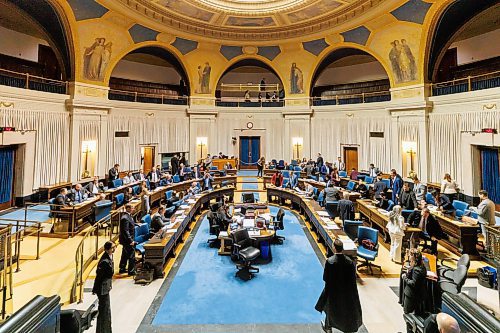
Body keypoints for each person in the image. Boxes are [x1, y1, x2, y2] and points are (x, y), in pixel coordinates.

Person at [315, 239, 362, 333]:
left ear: (334, 248)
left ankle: (328, 327)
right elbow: (352, 279)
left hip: (333, 290)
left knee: (329, 307)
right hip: (347, 291)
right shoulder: (349, 262)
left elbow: (325, 278)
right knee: (346, 309)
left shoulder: (330, 261)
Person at [92, 240, 115, 333]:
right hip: (102, 288)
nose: (114, 249)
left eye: (114, 247)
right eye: (112, 248)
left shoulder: (109, 257)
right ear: (107, 249)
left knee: (106, 310)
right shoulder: (104, 261)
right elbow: (99, 277)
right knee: (104, 311)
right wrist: (95, 288)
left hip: (106, 287)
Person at [402, 249, 427, 327]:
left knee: (407, 313)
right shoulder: (422, 266)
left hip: (412, 295)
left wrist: (404, 278)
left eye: (410, 255)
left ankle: (409, 328)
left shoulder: (417, 270)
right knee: (415, 313)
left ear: (414, 257)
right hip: (418, 294)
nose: (409, 257)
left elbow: (413, 283)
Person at [119, 204, 136, 276]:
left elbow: (130, 226)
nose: (133, 209)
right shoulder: (125, 218)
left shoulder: (128, 216)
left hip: (127, 239)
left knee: (125, 254)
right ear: (128, 208)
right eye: (132, 208)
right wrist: (131, 241)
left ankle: (122, 268)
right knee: (131, 254)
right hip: (127, 240)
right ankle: (131, 271)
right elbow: (125, 231)